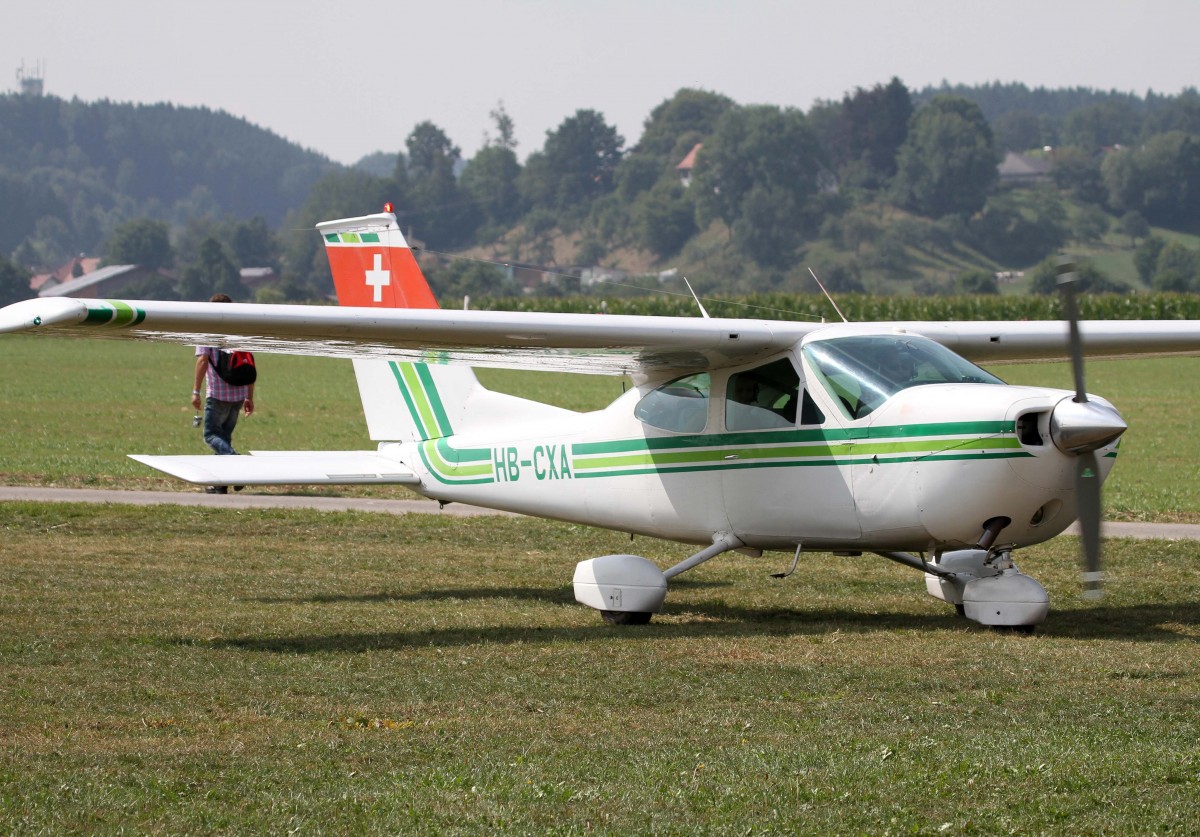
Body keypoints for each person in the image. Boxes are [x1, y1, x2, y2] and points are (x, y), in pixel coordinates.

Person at [191, 293, 254, 494]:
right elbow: (249, 364)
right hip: (238, 395)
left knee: (210, 435)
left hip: (217, 394)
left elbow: (202, 361)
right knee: (224, 439)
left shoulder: (207, 331)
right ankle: (220, 484)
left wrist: (195, 391)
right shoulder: (239, 331)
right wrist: (249, 396)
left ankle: (236, 465)